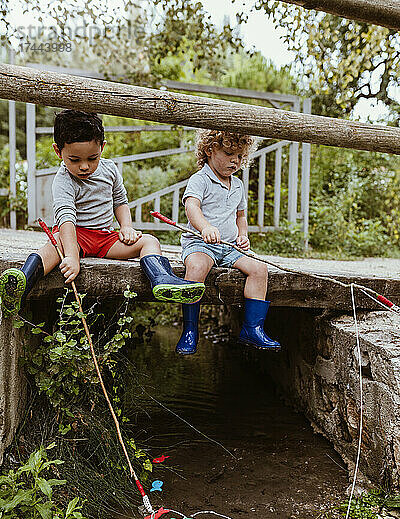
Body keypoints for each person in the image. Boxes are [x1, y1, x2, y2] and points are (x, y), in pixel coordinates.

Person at [0, 110, 205, 318]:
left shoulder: (109, 170)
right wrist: (72, 257)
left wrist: (126, 226)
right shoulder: (63, 180)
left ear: (102, 148)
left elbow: (120, 201)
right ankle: (21, 284)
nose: (84, 166)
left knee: (149, 241)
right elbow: (66, 218)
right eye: (74, 159)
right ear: (57, 151)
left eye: (92, 158)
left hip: (105, 239)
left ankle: (161, 278)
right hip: (73, 236)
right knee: (52, 249)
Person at [176, 129, 281, 355]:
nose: (235, 161)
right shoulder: (200, 179)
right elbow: (191, 207)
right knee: (196, 267)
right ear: (209, 150)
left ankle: (252, 328)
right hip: (200, 244)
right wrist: (205, 227)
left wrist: (243, 235)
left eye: (240, 156)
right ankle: (190, 329)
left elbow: (240, 216)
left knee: (259, 269)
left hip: (229, 247)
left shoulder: (238, 185)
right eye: (229, 153)